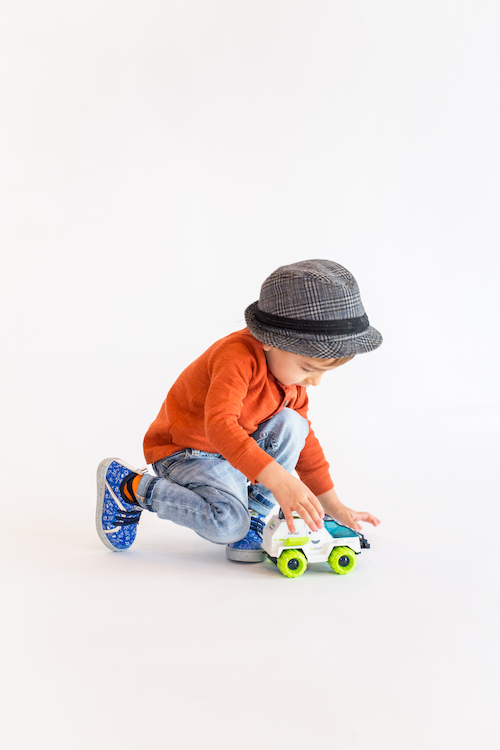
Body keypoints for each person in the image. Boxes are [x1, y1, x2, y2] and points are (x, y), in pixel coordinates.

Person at [96, 259, 382, 563]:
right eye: (308, 368)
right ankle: (130, 487)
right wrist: (280, 481)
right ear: (271, 340)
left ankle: (253, 517)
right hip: (186, 451)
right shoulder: (235, 357)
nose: (315, 381)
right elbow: (219, 427)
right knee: (227, 524)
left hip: (231, 453)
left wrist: (334, 506)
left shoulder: (291, 383)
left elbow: (305, 447)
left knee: (294, 424)